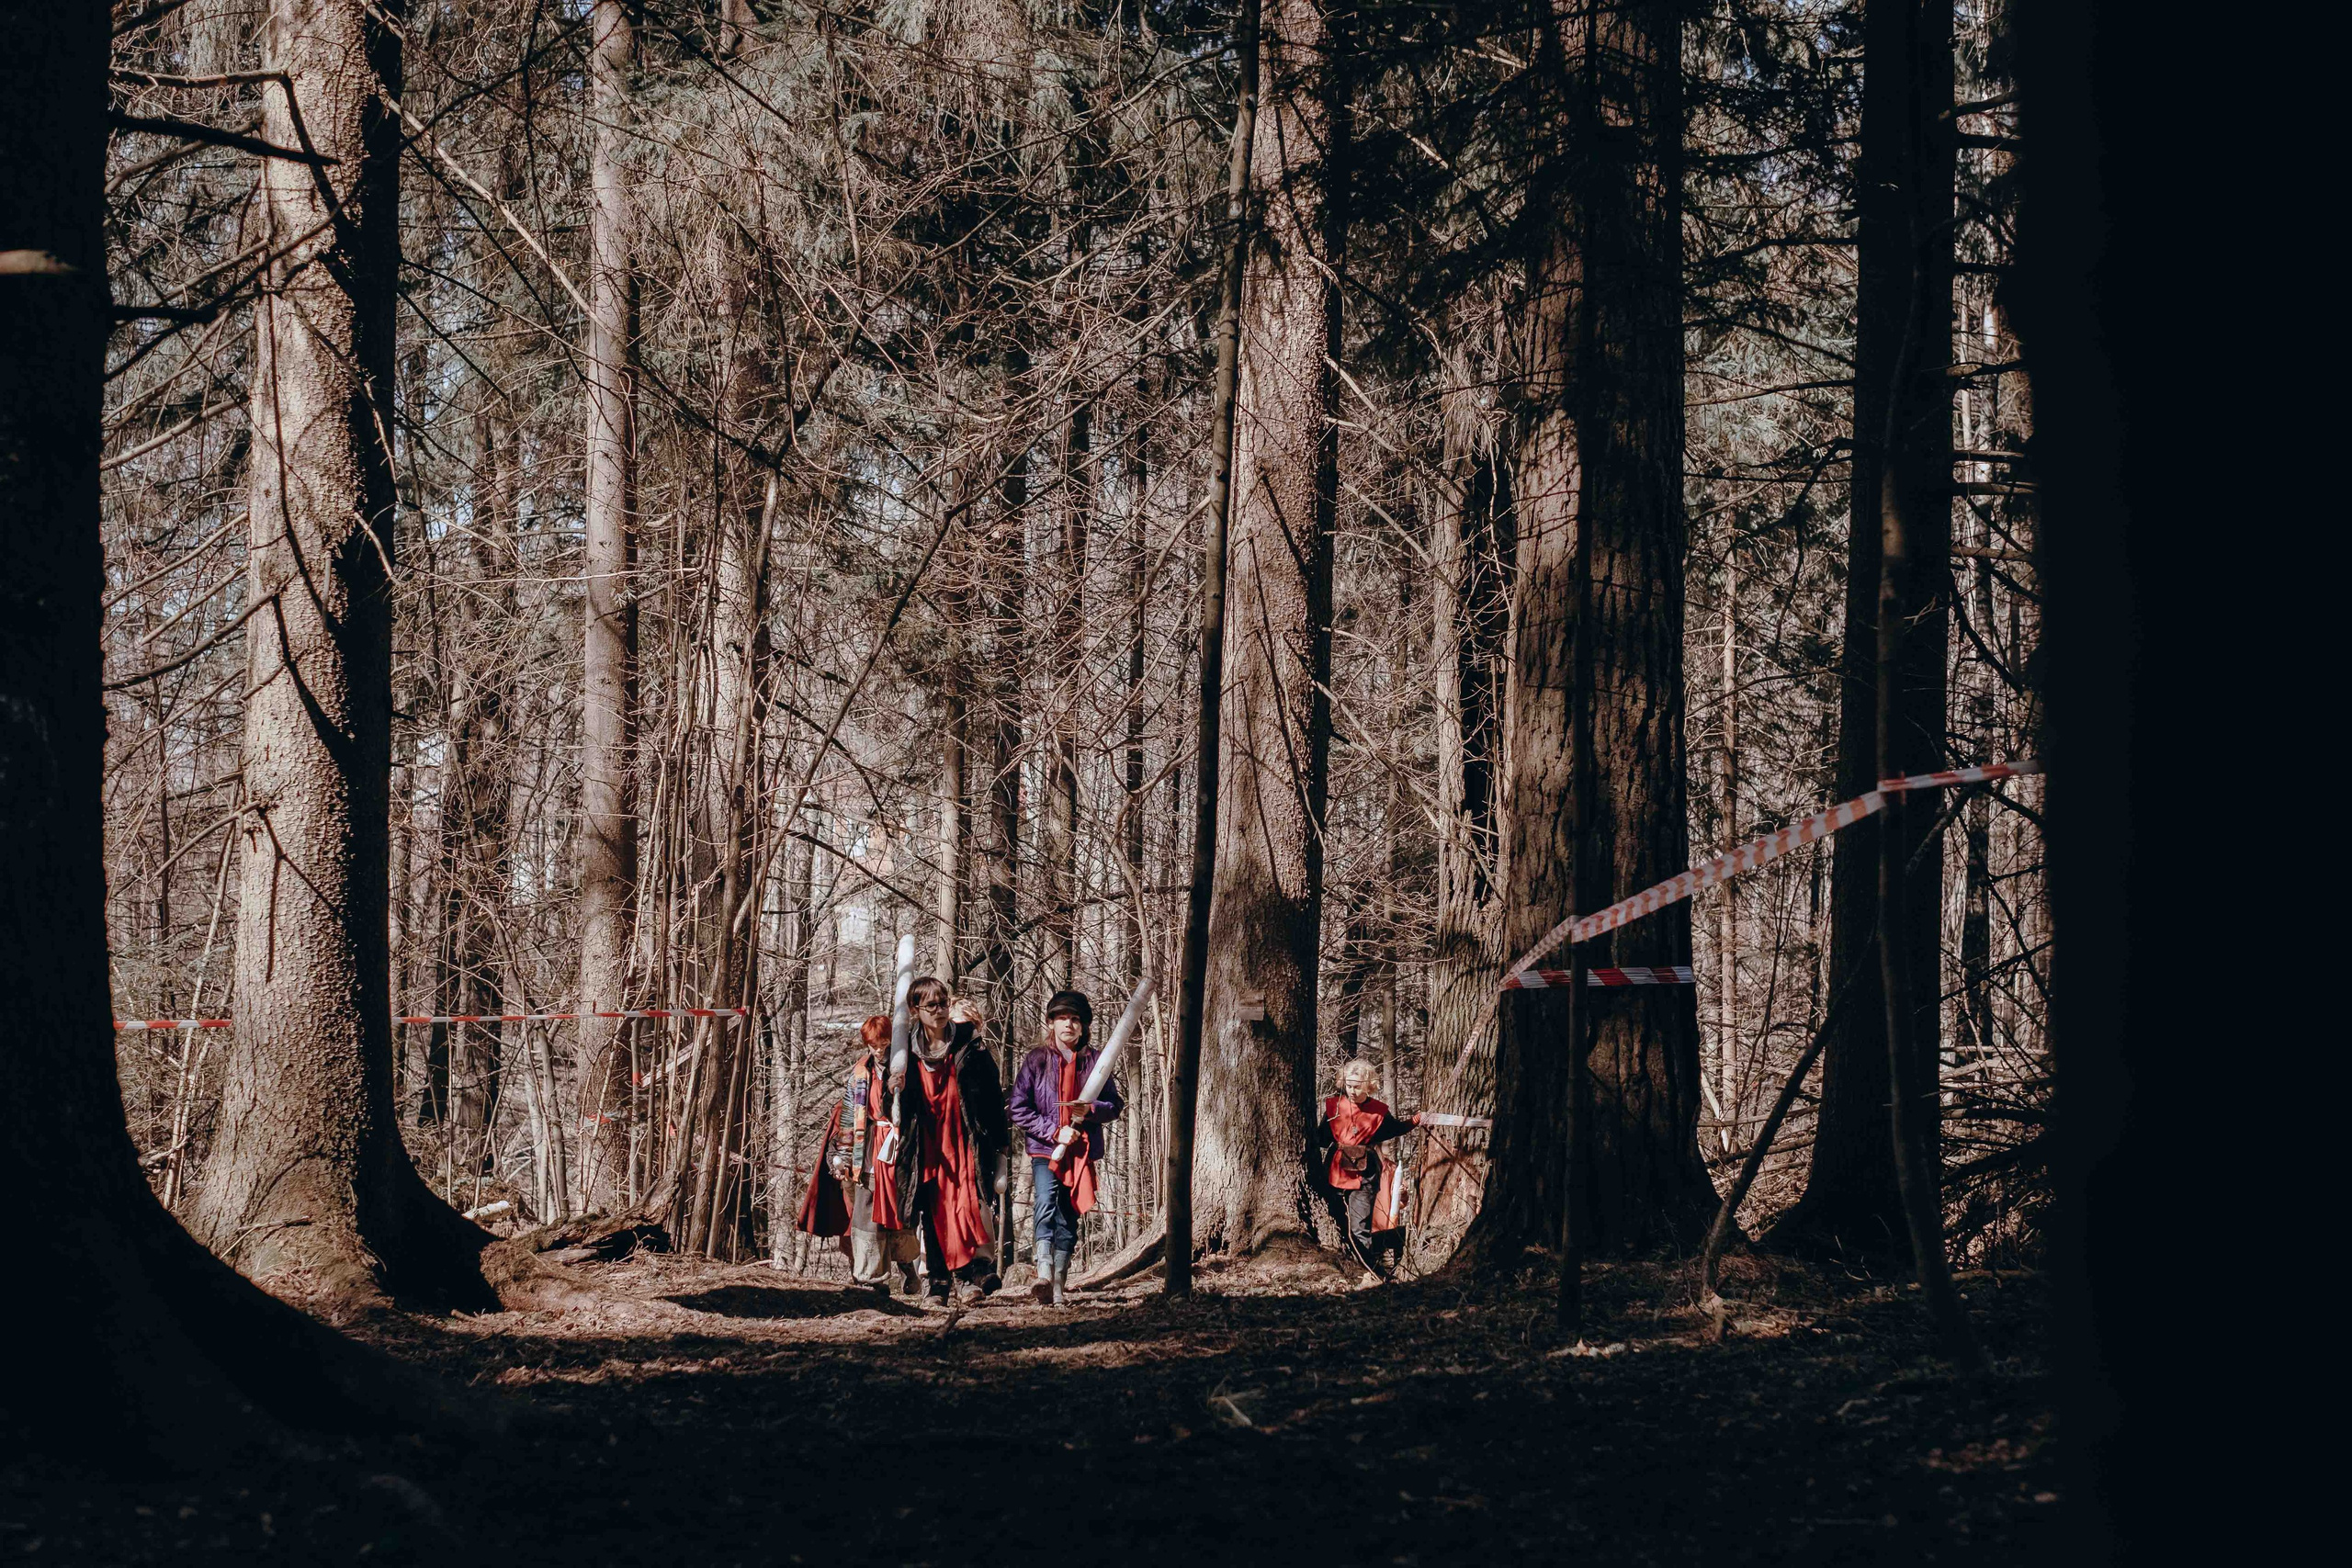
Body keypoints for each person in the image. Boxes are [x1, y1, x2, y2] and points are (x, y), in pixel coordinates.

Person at [1008, 989, 1125, 1306]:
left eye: (1075, 1019)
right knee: (1045, 1201)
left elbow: (1115, 1105)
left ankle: (1059, 1282)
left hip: (1081, 1151)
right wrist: (1053, 1132)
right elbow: (1018, 1108)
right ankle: (1043, 1270)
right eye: (1062, 1019)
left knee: (1069, 1215)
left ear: (1084, 1026)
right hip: (1046, 1148)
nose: (1069, 1025)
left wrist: (1090, 1111)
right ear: (1052, 1023)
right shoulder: (1036, 1060)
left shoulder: (1097, 1061)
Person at [896, 978, 1009, 1303]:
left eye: (943, 1003)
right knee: (932, 1209)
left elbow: (991, 1094)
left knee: (965, 1205)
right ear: (916, 1010)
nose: (940, 1011)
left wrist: (1000, 1142)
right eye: (931, 1005)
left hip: (964, 1138)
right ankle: (939, 1281)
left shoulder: (968, 1043)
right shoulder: (904, 1050)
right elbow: (889, 1104)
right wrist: (892, 1081)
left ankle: (969, 1273)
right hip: (925, 1143)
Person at [798, 1015, 921, 1297]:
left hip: (897, 1148)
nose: (879, 1050)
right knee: (866, 1212)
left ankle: (906, 1266)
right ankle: (872, 1278)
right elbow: (850, 1116)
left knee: (897, 1212)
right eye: (873, 1044)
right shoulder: (859, 1073)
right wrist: (840, 1154)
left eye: (884, 1043)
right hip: (867, 1150)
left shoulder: (906, 1071)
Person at [1311, 1058, 1421, 1288]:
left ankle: (1366, 1273)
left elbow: (1396, 1129)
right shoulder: (1334, 1106)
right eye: (1349, 1085)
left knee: (1360, 1227)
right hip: (1334, 1170)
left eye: (1357, 1086)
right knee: (1334, 1222)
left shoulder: (1379, 1112)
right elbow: (1321, 1137)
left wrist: (1415, 1121)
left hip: (1365, 1175)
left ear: (1369, 1085)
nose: (1352, 1091)